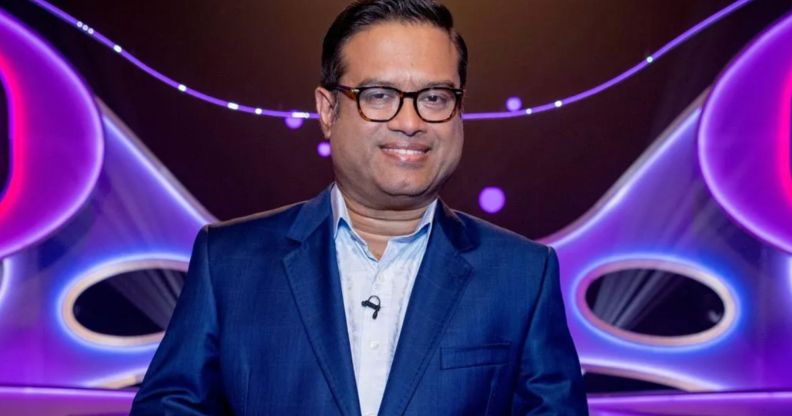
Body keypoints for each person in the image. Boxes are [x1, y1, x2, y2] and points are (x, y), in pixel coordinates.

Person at [131, 0, 588, 414]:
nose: (409, 122)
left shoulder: (522, 275)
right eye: (379, 96)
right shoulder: (229, 262)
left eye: (435, 98)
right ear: (328, 110)